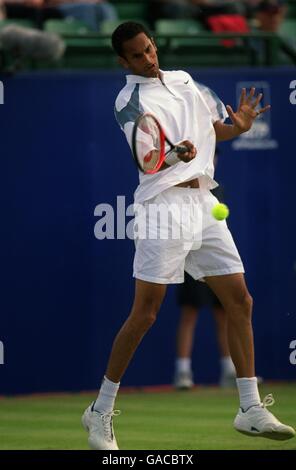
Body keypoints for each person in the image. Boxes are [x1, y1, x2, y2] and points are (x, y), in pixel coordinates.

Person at [81, 21, 295, 450]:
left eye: (150, 48)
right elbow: (149, 158)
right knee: (145, 313)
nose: (148, 58)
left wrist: (242, 125)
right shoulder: (128, 99)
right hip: (163, 207)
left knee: (239, 299)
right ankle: (99, 412)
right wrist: (177, 151)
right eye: (137, 55)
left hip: (204, 205)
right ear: (124, 61)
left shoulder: (185, 81)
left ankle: (249, 407)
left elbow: (217, 128)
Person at [174, 270, 237, 389]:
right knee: (189, 314)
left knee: (223, 315)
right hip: (193, 259)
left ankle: (229, 372)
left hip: (217, 260)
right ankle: (182, 372)